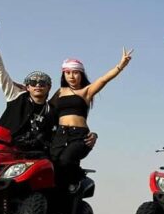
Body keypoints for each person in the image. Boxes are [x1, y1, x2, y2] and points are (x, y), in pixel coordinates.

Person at [0, 17, 95, 153]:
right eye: (33, 82)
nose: (37, 85)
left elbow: (74, 119)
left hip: (33, 156)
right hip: (4, 150)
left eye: (42, 82)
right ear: (27, 87)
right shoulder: (15, 96)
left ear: (49, 87)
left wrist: (92, 136)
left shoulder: (51, 110)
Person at [49, 47, 132, 180]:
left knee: (66, 159)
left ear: (81, 74)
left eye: (75, 72)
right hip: (60, 134)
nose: (71, 76)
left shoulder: (87, 91)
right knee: (54, 164)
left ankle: (80, 179)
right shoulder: (60, 92)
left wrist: (121, 65)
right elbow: (46, 108)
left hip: (80, 135)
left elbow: (104, 79)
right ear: (63, 74)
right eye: (68, 72)